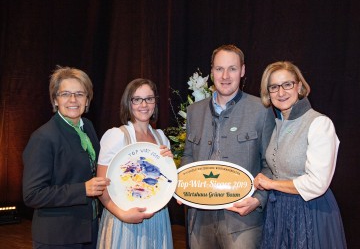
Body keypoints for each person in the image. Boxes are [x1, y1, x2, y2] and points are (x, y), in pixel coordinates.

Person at [180, 44, 275, 248]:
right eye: (219, 69)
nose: (225, 76)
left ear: (242, 71)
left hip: (243, 220)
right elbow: (188, 156)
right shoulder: (194, 112)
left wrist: (258, 199)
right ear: (211, 71)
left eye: (232, 68)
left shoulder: (261, 110)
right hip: (199, 219)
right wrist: (181, 186)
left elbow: (271, 165)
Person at [254, 61, 347, 248]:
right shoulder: (279, 124)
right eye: (274, 87)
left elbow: (317, 184)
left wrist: (271, 184)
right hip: (279, 212)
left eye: (287, 84)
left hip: (310, 212)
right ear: (268, 92)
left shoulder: (320, 123)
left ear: (299, 86)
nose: (281, 93)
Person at [23, 66, 110, 248]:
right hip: (58, 237)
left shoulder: (87, 126)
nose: (73, 99)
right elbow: (33, 195)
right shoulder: (43, 137)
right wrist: (82, 190)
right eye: (65, 94)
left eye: (80, 93)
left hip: (89, 230)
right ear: (55, 100)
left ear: (87, 100)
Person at [96, 78, 174, 249]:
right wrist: (122, 215)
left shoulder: (162, 138)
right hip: (123, 220)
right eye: (137, 99)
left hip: (157, 218)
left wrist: (170, 164)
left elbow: (167, 183)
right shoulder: (116, 136)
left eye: (149, 98)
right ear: (128, 103)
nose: (143, 104)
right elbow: (101, 187)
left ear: (155, 103)